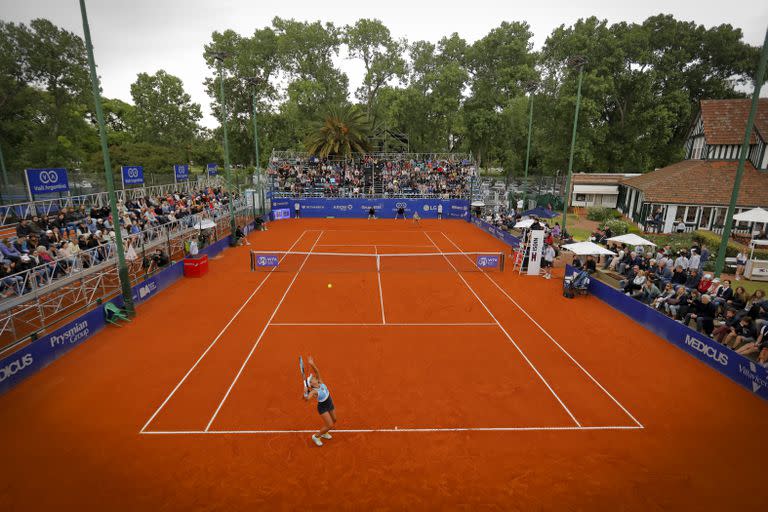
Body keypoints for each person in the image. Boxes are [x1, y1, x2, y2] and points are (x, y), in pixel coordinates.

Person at [303, 356, 336, 447]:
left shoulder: (320, 382)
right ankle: (316, 436)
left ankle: (325, 433)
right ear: (312, 384)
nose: (313, 376)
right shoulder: (314, 391)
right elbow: (306, 399)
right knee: (329, 425)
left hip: (330, 403)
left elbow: (317, 371)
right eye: (312, 378)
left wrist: (312, 364)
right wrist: (305, 393)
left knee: (334, 420)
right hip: (323, 407)